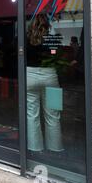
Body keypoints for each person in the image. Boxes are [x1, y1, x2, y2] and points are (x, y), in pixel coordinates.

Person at [26, 14, 64, 153]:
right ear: (48, 25)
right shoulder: (52, 38)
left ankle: (34, 148)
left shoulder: (26, 38)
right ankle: (55, 149)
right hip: (51, 76)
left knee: (31, 114)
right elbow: (55, 54)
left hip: (29, 76)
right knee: (53, 114)